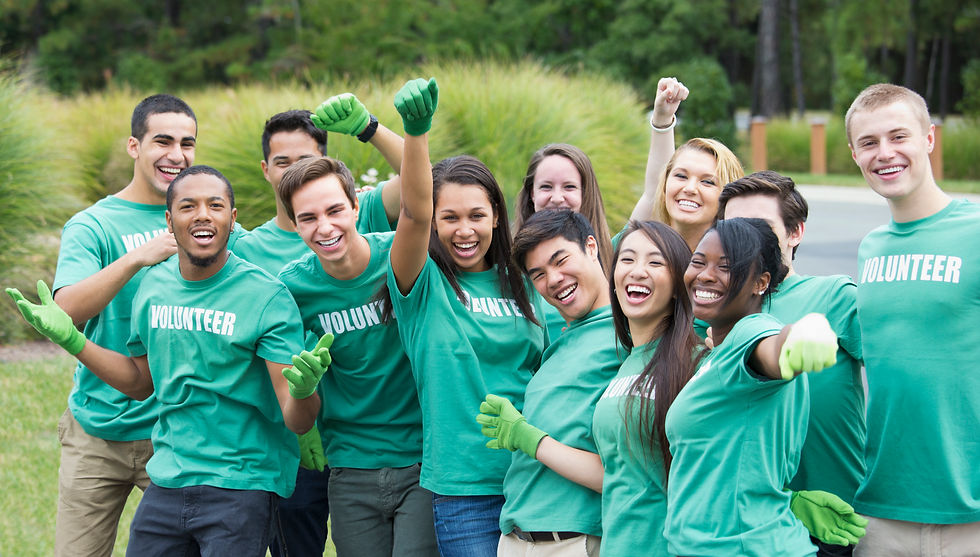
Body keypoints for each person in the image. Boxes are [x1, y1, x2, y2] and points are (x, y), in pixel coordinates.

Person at [8, 165, 327, 555]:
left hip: (242, 483)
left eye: (216, 205)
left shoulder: (266, 297)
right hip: (168, 479)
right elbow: (140, 383)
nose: (203, 214)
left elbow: (297, 418)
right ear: (169, 221)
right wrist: (74, 341)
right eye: (188, 205)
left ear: (233, 219)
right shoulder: (153, 287)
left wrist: (305, 391)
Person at [232, 99, 404, 557]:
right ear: (267, 169)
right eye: (283, 161)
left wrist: (370, 128)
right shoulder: (250, 251)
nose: (323, 225)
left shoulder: (360, 215)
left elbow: (426, 186)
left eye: (305, 159)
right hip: (302, 435)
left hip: (383, 440)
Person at [385, 77, 547, 557]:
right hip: (465, 488)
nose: (464, 229)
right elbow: (412, 211)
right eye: (449, 216)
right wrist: (417, 133)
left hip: (539, 474)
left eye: (476, 215)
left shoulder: (528, 283)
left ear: (497, 216)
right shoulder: (421, 283)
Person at [41, 94, 191, 557]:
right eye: (162, 141)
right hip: (96, 430)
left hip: (174, 429)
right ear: (134, 146)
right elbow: (66, 310)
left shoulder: (201, 213)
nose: (176, 155)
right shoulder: (92, 225)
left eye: (187, 143)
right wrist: (136, 257)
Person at [663, 217, 865, 556]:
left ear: (761, 283)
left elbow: (773, 348)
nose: (705, 274)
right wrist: (786, 499)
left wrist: (804, 332)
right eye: (698, 262)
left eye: (726, 267)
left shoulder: (750, 334)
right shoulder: (718, 351)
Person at [275, 155, 436, 556]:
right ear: (294, 225)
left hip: (421, 458)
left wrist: (409, 131)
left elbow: (420, 209)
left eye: (334, 210)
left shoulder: (397, 257)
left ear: (356, 206)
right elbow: (295, 413)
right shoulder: (292, 290)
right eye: (308, 218)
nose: (325, 227)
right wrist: (303, 388)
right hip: (349, 465)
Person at [845, 84, 980, 556]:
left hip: (971, 515)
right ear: (855, 154)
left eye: (898, 136)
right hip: (883, 513)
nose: (885, 153)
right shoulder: (871, 247)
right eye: (869, 143)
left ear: (928, 138)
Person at [718, 171, 866, 556]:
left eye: (761, 227)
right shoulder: (714, 311)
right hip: (748, 525)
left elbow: (906, 373)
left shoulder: (833, 295)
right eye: (734, 228)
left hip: (835, 524)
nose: (746, 240)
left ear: (795, 232)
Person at [477, 210, 621, 555]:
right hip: (515, 537)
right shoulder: (556, 344)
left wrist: (530, 439)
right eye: (538, 274)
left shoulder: (628, 334)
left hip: (573, 539)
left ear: (591, 246)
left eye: (560, 260)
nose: (553, 279)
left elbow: (627, 474)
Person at [514, 77, 688, 339]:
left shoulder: (614, 255)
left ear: (587, 194)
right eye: (546, 187)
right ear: (531, 196)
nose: (558, 198)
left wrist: (662, 121)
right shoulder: (512, 270)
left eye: (570, 187)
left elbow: (655, 195)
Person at [591, 219, 702, 556]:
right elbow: (617, 473)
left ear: (677, 284)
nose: (638, 270)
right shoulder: (625, 364)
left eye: (655, 262)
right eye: (627, 259)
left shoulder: (697, 362)